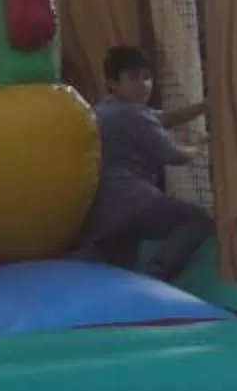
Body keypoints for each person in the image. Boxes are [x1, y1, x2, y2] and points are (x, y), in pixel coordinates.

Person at [81, 44, 214, 281]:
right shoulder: (131, 115)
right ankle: (158, 273)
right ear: (113, 83)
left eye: (147, 77)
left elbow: (163, 118)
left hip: (103, 212)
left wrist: (204, 106)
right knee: (198, 219)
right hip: (134, 203)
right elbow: (174, 155)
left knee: (118, 269)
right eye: (134, 78)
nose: (144, 84)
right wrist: (201, 146)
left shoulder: (105, 109)